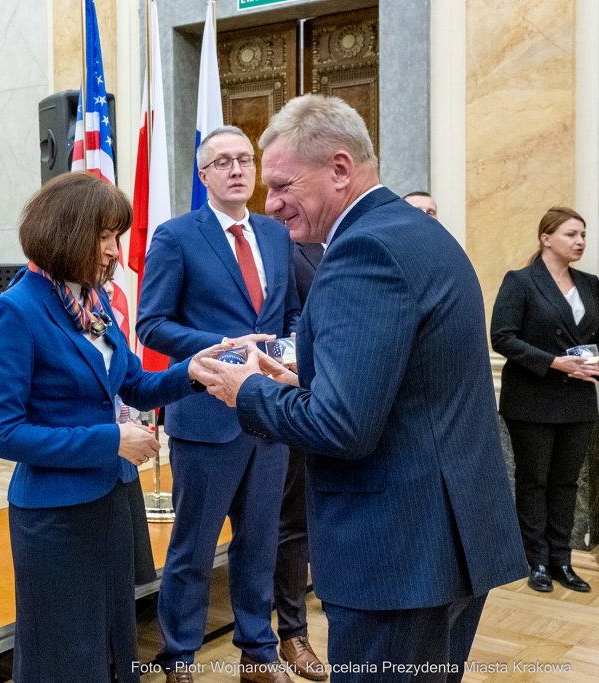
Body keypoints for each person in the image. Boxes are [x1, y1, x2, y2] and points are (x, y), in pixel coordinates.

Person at [194, 95, 526, 683]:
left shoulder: (361, 251)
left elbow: (343, 428)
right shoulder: (414, 231)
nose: (270, 205)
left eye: (282, 186)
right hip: (447, 540)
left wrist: (247, 390)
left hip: (396, 553)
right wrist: (303, 380)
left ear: (341, 169)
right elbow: (410, 382)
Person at [0, 171, 216, 683]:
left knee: (112, 647)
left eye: (116, 236)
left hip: (111, 503)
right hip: (55, 517)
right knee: (63, 657)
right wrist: (113, 441)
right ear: (67, 233)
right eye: (104, 237)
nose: (114, 251)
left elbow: (133, 384)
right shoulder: (16, 311)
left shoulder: (93, 302)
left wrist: (195, 370)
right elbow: (4, 433)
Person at [137, 125, 301, 683]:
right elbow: (152, 325)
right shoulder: (176, 236)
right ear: (203, 176)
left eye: (245, 160)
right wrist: (223, 348)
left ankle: (258, 653)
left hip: (270, 415)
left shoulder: (278, 236)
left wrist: (291, 354)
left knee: (260, 544)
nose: (237, 169)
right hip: (205, 418)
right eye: (223, 162)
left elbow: (292, 315)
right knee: (193, 547)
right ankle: (178, 655)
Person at [491, 206, 597, 593]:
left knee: (565, 483)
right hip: (533, 399)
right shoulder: (520, 281)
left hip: (579, 400)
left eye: (583, 234)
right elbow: (502, 336)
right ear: (546, 237)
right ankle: (534, 560)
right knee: (534, 482)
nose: (580, 241)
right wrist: (555, 362)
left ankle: (561, 560)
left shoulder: (591, 283)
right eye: (571, 234)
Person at [271, 238, 327, 682]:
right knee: (295, 520)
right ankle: (292, 631)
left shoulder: (363, 240)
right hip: (299, 398)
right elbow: (288, 318)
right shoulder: (289, 249)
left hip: (360, 400)